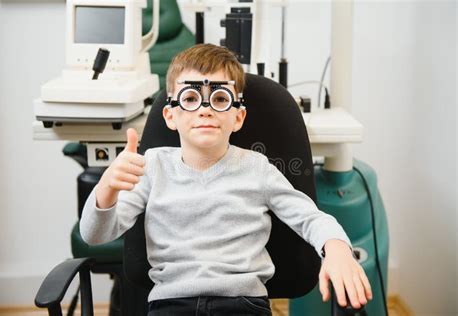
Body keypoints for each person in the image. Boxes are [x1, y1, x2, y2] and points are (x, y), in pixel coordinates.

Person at [80, 43, 372, 315]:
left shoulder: (257, 169)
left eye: (220, 98)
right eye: (191, 98)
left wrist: (337, 248)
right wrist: (107, 188)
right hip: (170, 304)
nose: (205, 108)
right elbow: (95, 235)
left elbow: (311, 218)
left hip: (242, 304)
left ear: (238, 117)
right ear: (170, 116)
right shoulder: (152, 166)